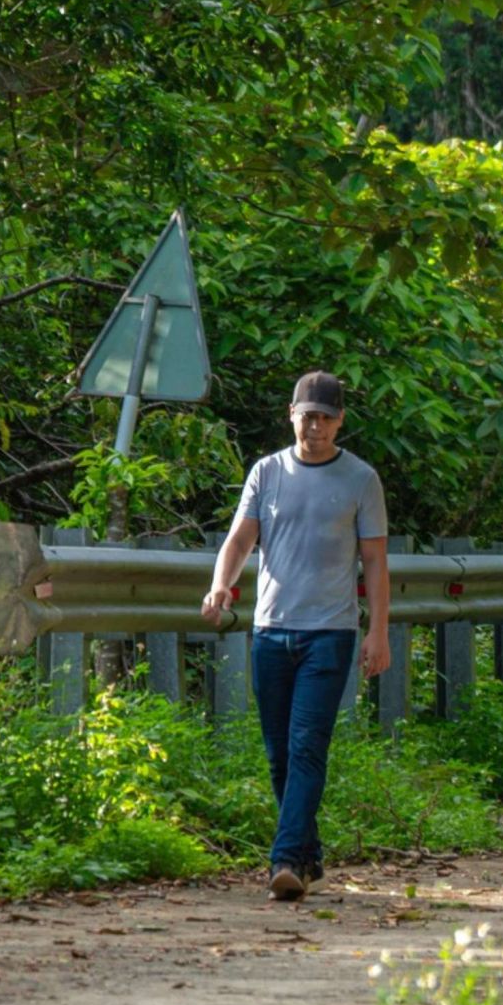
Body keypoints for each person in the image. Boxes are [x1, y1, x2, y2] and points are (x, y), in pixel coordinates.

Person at [201, 370, 391, 902]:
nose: (316, 427)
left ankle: (284, 860)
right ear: (291, 415)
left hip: (329, 633)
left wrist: (378, 631)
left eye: (326, 418)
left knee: (307, 745)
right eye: (308, 416)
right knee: (279, 755)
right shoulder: (267, 472)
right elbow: (239, 540)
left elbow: (375, 563)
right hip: (270, 631)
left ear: (340, 421)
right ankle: (308, 857)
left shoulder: (360, 480)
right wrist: (220, 585)